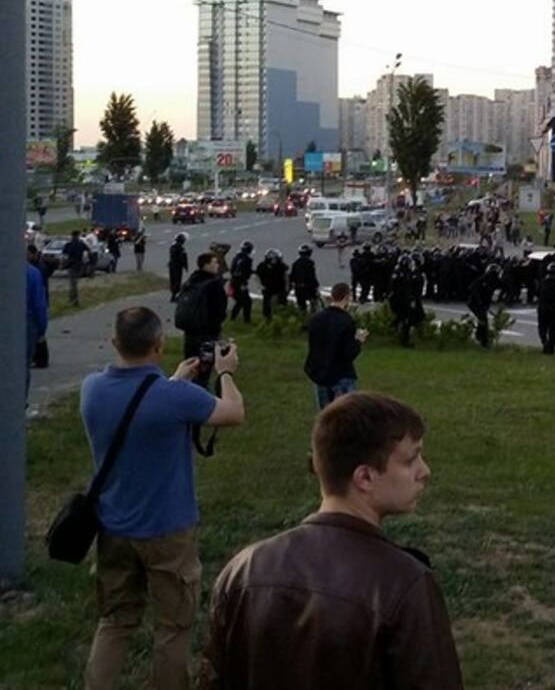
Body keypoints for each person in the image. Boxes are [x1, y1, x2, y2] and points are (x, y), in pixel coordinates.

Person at [202, 393, 463, 689]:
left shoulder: (243, 568)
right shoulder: (404, 584)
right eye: (411, 459)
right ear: (364, 477)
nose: (424, 471)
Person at [81, 307, 245, 690]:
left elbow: (141, 411)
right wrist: (225, 373)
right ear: (159, 344)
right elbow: (233, 413)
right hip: (168, 530)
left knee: (115, 621)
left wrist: (173, 380)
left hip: (112, 525)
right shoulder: (176, 398)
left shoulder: (92, 388)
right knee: (172, 628)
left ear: (114, 342)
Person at [305, 282, 370, 408]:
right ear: (346, 297)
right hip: (340, 374)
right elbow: (348, 353)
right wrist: (358, 340)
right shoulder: (346, 321)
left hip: (320, 373)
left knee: (326, 416)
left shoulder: (315, 319)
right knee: (344, 415)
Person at [176, 252, 229, 360]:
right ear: (206, 265)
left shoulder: (191, 281)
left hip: (190, 331)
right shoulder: (214, 284)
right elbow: (220, 311)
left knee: (190, 363)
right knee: (204, 365)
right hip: (208, 332)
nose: (218, 265)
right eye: (214, 262)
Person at [26, 243, 48, 406]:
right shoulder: (32, 273)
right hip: (27, 323)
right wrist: (41, 328)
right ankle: (21, 402)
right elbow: (39, 304)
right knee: (22, 365)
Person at [255, 248, 288, 320]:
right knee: (267, 303)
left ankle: (281, 316)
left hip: (278, 288)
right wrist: (260, 286)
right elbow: (257, 276)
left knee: (281, 302)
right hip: (269, 288)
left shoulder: (281, 266)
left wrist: (286, 286)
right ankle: (267, 317)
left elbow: (285, 275)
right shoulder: (262, 266)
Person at [228, 241, 255, 326]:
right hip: (240, 283)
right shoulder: (247, 260)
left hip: (233, 282)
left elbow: (232, 270)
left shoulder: (236, 257)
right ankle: (247, 320)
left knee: (240, 301)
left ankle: (233, 318)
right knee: (247, 302)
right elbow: (246, 273)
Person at [63, 228, 90, 307]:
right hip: (79, 265)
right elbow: (88, 249)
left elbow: (64, 254)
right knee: (74, 283)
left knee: (72, 284)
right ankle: (74, 299)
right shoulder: (81, 244)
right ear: (78, 235)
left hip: (71, 265)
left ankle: (74, 300)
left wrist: (63, 264)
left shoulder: (69, 244)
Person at [290, 244, 320, 312]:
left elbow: (292, 276)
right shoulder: (310, 263)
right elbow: (312, 276)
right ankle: (312, 314)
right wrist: (316, 286)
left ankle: (302, 317)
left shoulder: (295, 263)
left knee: (301, 306)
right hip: (309, 287)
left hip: (298, 288)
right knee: (314, 301)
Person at [168, 232, 189, 302]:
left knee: (173, 280)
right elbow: (183, 258)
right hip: (177, 266)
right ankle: (174, 296)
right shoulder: (180, 248)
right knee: (177, 281)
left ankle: (174, 295)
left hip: (172, 266)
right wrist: (186, 266)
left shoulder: (172, 247)